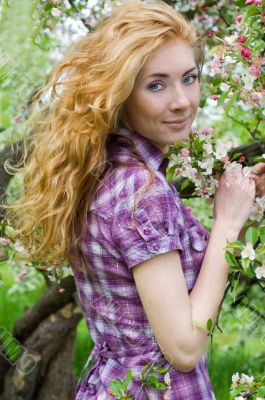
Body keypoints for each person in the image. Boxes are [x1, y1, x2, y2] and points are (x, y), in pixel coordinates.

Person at [2, 1, 264, 399]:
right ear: (121, 92)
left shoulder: (101, 170)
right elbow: (184, 348)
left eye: (189, 78)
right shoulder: (143, 194)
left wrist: (240, 209)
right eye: (156, 84)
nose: (182, 101)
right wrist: (226, 225)